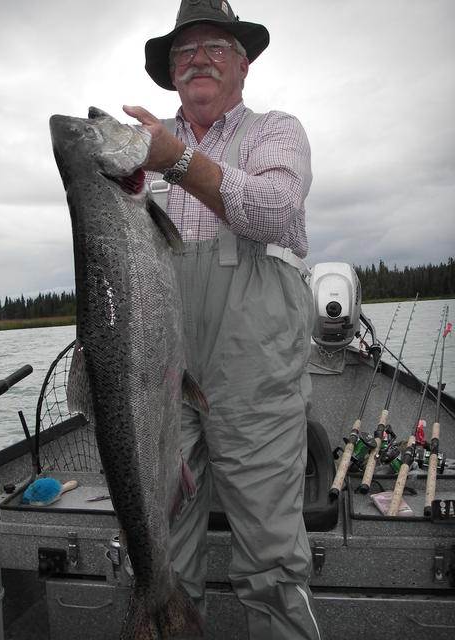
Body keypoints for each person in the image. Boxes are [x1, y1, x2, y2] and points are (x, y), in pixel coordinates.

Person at [123, 1, 320, 638]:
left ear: (242, 63)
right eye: (185, 51)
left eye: (215, 47)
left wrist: (176, 159)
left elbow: (273, 210)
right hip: (161, 370)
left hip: (253, 374)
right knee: (162, 551)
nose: (199, 59)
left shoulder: (274, 132)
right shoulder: (133, 155)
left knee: (269, 555)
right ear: (170, 72)